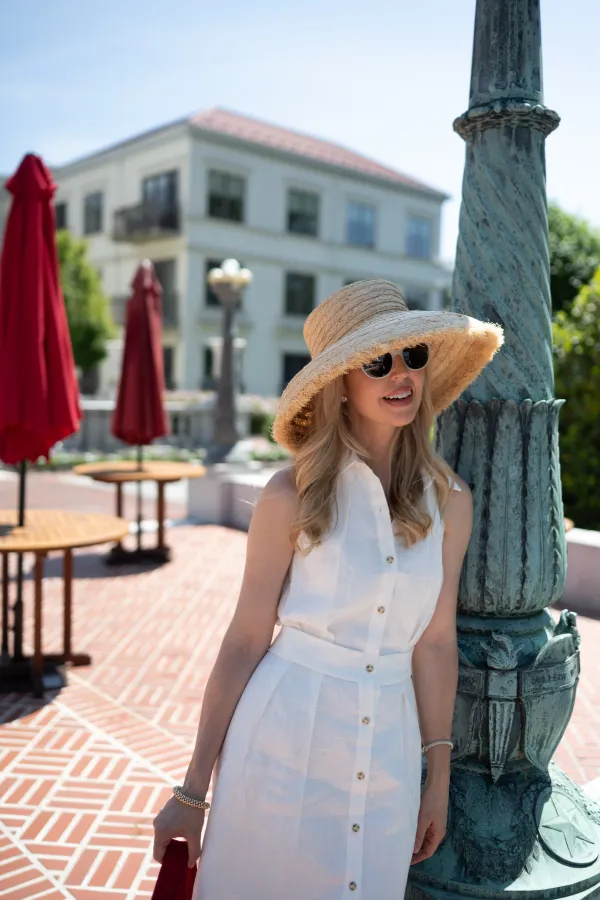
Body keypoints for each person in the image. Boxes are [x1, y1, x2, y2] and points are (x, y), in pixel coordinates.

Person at [152, 280, 504, 899]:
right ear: (341, 381)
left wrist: (437, 776)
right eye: (378, 361)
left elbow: (435, 642)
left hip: (391, 754)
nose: (401, 375)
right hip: (282, 741)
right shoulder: (291, 496)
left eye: (412, 356)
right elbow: (244, 641)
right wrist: (191, 792)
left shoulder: (450, 502)